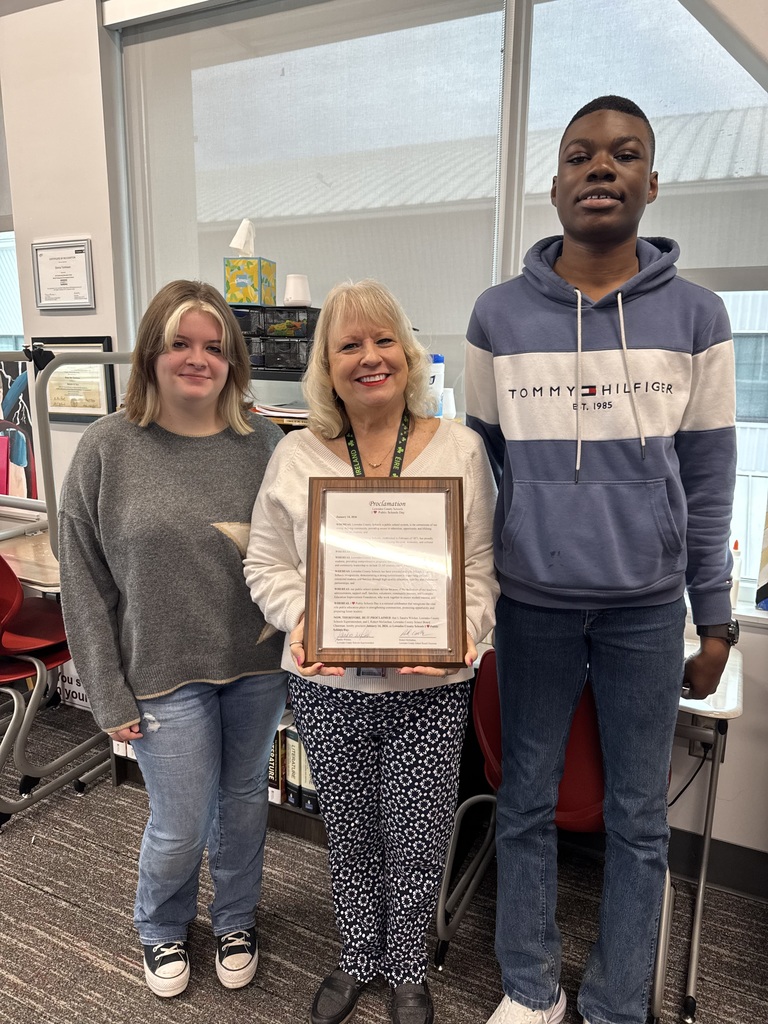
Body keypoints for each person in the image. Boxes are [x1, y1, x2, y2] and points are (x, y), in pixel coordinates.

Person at [465, 96, 738, 1024]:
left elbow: (710, 478)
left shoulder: (698, 316)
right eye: (581, 155)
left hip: (647, 609)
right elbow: (476, 473)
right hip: (531, 604)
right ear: (554, 186)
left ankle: (620, 1003)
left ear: (651, 184)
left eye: (623, 155)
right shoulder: (497, 316)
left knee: (638, 817)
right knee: (523, 803)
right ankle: (529, 989)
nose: (601, 168)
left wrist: (716, 618)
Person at [244, 279, 499, 1024]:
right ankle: (359, 955)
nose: (370, 357)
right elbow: (265, 562)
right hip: (327, 686)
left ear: (409, 354)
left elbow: (483, 569)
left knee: (418, 837)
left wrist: (461, 634)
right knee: (350, 831)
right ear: (326, 366)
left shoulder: (460, 449)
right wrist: (303, 619)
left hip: (430, 689)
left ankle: (408, 966)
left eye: (385, 340)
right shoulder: (295, 455)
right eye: (349, 345)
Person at [58, 280, 288, 999]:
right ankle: (161, 923)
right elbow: (82, 581)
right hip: (160, 672)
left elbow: (301, 554)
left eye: (215, 347)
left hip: (257, 664)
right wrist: (106, 691)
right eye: (180, 343)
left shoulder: (266, 444)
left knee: (244, 804)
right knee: (182, 821)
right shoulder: (106, 448)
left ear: (233, 359)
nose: (198, 359)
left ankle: (237, 918)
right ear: (150, 353)